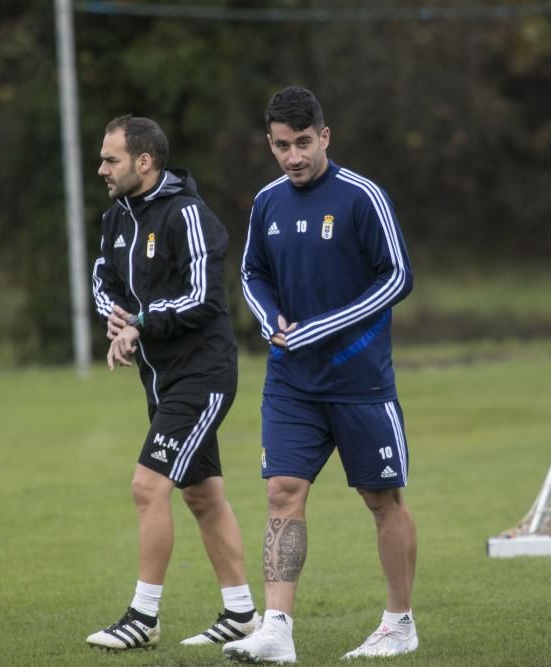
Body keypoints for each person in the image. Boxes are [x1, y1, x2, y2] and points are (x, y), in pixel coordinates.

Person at [223, 87, 418, 663]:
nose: (293, 157)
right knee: (282, 493)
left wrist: (326, 326)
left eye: (303, 143)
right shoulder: (267, 203)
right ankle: (277, 628)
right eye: (282, 146)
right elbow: (252, 273)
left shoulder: (363, 197)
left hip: (360, 382)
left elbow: (398, 277)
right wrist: (269, 320)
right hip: (291, 382)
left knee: (382, 499)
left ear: (324, 136)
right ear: (270, 144)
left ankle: (399, 623)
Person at [86, 114, 259, 651]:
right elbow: (102, 279)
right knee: (202, 495)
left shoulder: (189, 215)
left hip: (202, 375)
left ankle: (144, 618)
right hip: (159, 380)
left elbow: (205, 297)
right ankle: (241, 615)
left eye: (111, 159)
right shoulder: (118, 217)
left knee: (147, 486)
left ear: (145, 161)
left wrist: (141, 323)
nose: (101, 169)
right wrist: (116, 319)